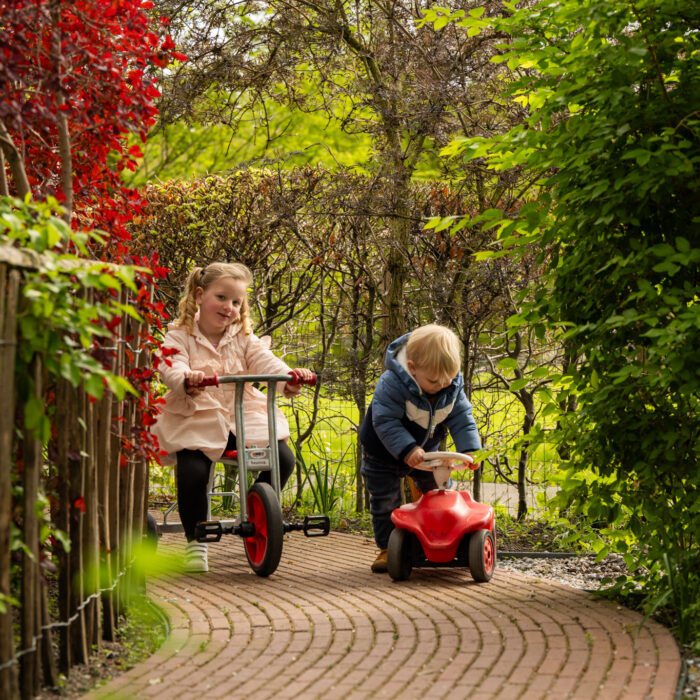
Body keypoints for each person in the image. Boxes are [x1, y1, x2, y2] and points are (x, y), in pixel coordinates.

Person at [151, 262, 314, 573]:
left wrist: (289, 377)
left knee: (283, 459)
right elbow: (170, 366)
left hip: (241, 414)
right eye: (222, 298)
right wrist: (187, 378)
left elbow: (265, 362)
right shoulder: (179, 336)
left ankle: (258, 513)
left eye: (236, 302)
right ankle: (197, 539)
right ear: (199, 295)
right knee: (193, 469)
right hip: (197, 414)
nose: (229, 308)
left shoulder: (243, 337)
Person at [359, 324, 481, 573]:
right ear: (412, 368)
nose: (442, 385)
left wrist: (470, 450)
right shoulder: (392, 383)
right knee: (385, 502)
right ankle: (388, 548)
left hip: (427, 454)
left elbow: (462, 417)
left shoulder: (450, 385)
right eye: (434, 380)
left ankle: (440, 539)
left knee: (439, 491)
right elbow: (385, 421)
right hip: (382, 454)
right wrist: (407, 449)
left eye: (449, 378)